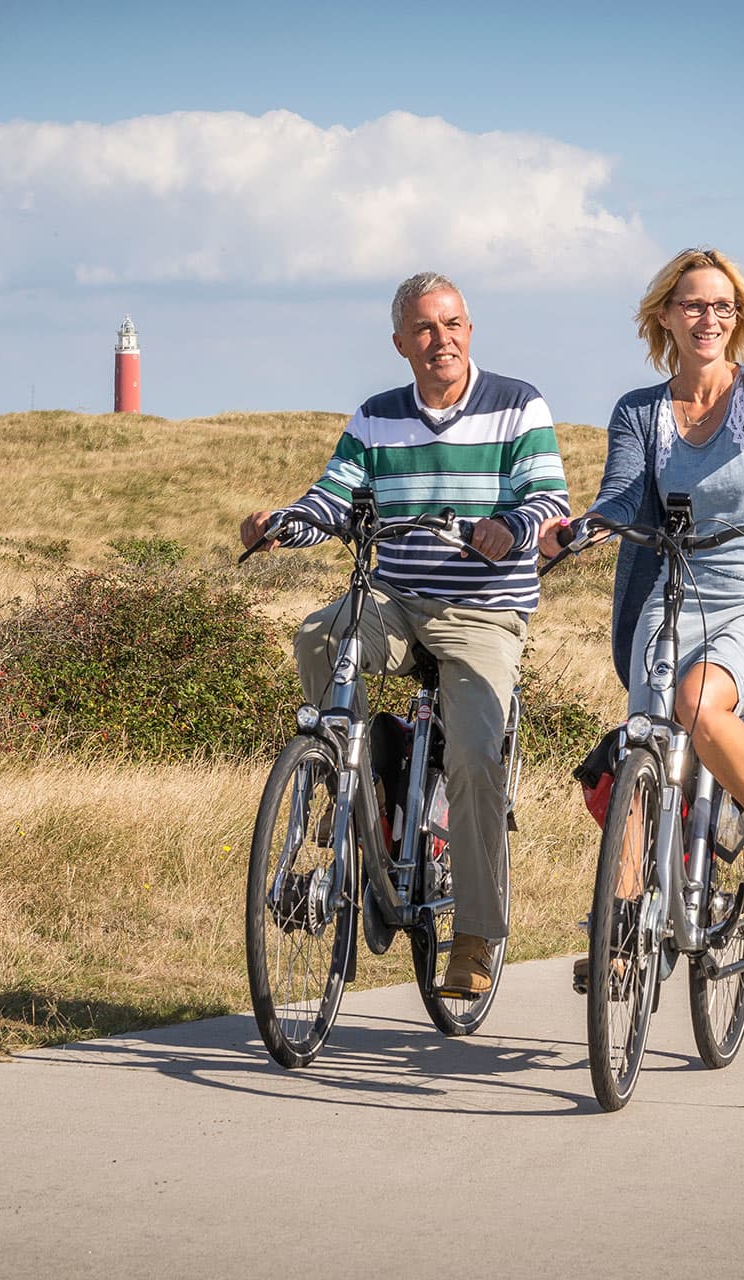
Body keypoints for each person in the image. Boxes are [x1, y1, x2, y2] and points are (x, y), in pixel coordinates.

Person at [241, 271, 570, 996]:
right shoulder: (376, 416)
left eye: (451, 324)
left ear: (470, 330)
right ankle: (349, 776)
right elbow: (331, 498)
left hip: (483, 609)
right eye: (424, 329)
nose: (440, 339)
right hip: (395, 598)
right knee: (319, 635)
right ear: (400, 343)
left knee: (477, 759)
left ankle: (475, 939)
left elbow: (549, 498)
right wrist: (280, 526)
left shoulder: (518, 404)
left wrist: (507, 527)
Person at [540, 247, 744, 919]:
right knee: (640, 746)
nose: (710, 317)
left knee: (698, 706)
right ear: (666, 316)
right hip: (673, 596)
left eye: (723, 307)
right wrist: (583, 531)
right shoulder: (640, 412)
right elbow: (619, 497)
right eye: (695, 305)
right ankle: (620, 924)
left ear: (738, 318)